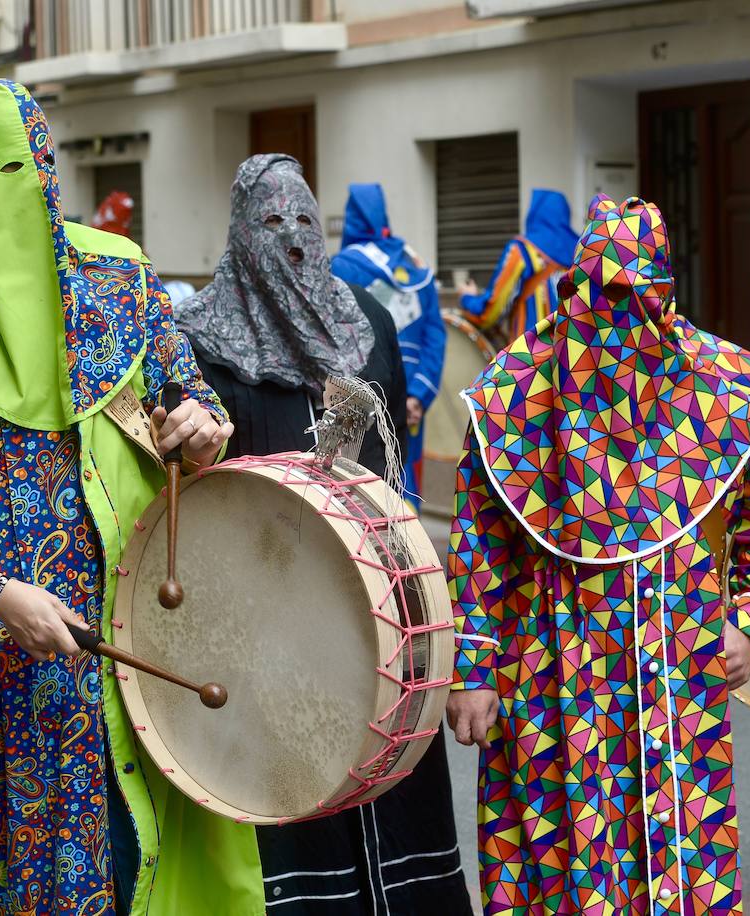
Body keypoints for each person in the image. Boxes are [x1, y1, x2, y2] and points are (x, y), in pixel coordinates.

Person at [0, 77, 263, 915]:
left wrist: (201, 427)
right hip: (10, 652)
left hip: (150, 618)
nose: (21, 190)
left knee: (163, 841)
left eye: (32, 165)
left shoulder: (120, 273)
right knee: (45, 874)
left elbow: (188, 399)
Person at [446, 195, 750, 914]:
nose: (613, 319)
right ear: (572, 287)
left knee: (676, 857)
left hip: (673, 670)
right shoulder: (514, 394)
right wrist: (474, 669)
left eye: (633, 298)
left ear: (664, 295)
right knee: (553, 854)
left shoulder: (728, 390)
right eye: (598, 295)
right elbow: (480, 542)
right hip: (546, 668)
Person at [176, 153, 473, 916]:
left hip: (379, 602)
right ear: (242, 232)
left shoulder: (364, 321)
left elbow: (395, 460)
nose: (295, 240)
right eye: (273, 223)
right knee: (294, 801)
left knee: (390, 783)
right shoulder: (201, 340)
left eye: (306, 220)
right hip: (267, 614)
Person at [330, 182, 447, 503]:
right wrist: (419, 396)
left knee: (358, 481)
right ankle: (409, 546)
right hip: (410, 396)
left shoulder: (341, 266)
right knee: (407, 473)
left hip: (363, 393)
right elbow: (435, 334)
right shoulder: (412, 263)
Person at [459, 188, 578, 341]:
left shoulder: (522, 250)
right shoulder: (582, 252)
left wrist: (468, 297)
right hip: (571, 354)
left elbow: (492, 311)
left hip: (530, 354)